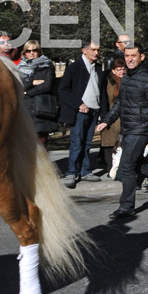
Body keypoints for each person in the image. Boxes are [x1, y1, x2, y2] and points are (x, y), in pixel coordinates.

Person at [96, 43, 148, 219]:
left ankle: (126, 206)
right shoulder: (127, 77)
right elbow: (120, 103)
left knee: (126, 167)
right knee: (137, 164)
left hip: (141, 128)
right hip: (129, 127)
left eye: (133, 56)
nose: (130, 59)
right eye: (127, 56)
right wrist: (107, 121)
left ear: (142, 57)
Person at [58, 40, 106, 188]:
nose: (96, 53)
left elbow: (102, 91)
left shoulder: (98, 68)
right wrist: (79, 104)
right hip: (80, 111)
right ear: (84, 50)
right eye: (93, 50)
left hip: (94, 110)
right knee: (77, 142)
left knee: (87, 143)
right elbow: (63, 89)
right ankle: (72, 172)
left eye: (97, 50)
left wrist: (102, 113)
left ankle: (85, 170)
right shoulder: (74, 68)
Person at [18, 41, 58, 145]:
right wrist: (32, 82)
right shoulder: (20, 68)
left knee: (41, 143)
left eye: (34, 50)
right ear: (24, 52)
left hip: (41, 108)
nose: (31, 53)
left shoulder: (47, 65)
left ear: (39, 51)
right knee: (25, 143)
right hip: (25, 108)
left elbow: (47, 85)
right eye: (28, 50)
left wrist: (27, 93)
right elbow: (19, 85)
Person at [99, 56, 126, 175]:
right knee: (109, 142)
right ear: (113, 70)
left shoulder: (128, 80)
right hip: (110, 115)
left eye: (123, 68)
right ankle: (110, 167)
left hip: (125, 115)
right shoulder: (108, 81)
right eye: (118, 68)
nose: (121, 71)